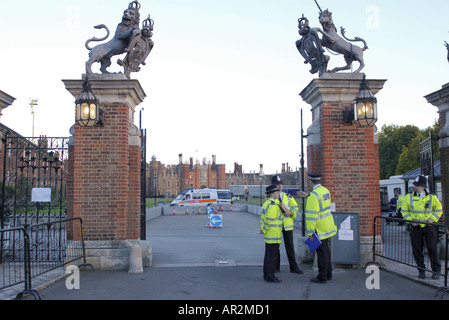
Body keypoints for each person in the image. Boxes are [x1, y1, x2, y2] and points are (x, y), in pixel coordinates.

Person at [401, 175, 443, 279]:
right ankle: (421, 270)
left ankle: (436, 271)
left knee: (432, 248)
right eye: (415, 185)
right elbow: (404, 210)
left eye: (417, 185)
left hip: (428, 226)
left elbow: (438, 209)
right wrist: (411, 220)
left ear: (423, 187)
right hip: (416, 227)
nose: (415, 187)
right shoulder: (408, 197)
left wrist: (432, 219)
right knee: (417, 250)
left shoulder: (432, 197)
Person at [299, 173, 337, 284]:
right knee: (326, 250)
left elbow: (311, 216)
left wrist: (310, 232)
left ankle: (322, 276)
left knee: (321, 252)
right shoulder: (325, 191)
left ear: (310, 182)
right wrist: (307, 196)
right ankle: (328, 273)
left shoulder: (313, 196)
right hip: (327, 224)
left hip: (318, 227)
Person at [271, 174, 303, 274]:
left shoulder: (288, 197)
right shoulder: (271, 198)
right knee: (276, 247)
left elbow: (295, 207)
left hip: (287, 226)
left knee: (290, 247)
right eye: (277, 184)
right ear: (273, 185)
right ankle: (276, 267)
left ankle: (293, 267)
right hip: (276, 226)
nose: (279, 186)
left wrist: (291, 213)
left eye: (280, 184)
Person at [260, 184, 292, 283]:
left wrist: (264, 230)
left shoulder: (268, 203)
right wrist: (264, 230)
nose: (279, 193)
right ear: (272, 194)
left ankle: (266, 274)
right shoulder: (273, 205)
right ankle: (270, 275)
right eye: (277, 192)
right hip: (274, 234)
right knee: (272, 256)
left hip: (270, 234)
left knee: (268, 255)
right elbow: (269, 220)